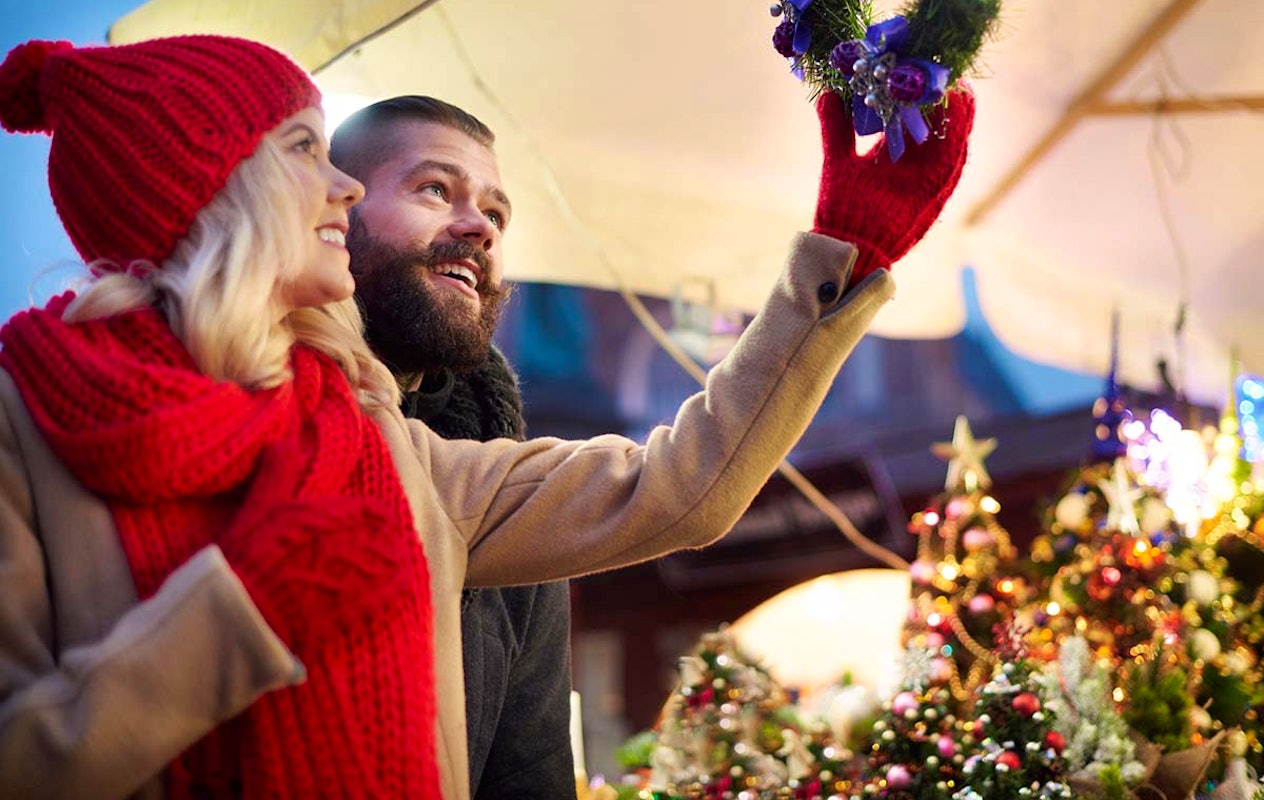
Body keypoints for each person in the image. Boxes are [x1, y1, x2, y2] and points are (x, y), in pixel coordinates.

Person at [0, 33, 971, 800]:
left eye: (497, 212)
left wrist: (843, 253)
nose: (335, 180)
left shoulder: (392, 449)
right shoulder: (23, 430)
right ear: (212, 183)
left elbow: (674, 487)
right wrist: (239, 613)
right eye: (308, 150)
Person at [332, 97, 577, 799]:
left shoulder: (501, 483)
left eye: (496, 215)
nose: (479, 229)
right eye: (435, 189)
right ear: (334, 211)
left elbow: (530, 770)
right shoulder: (245, 408)